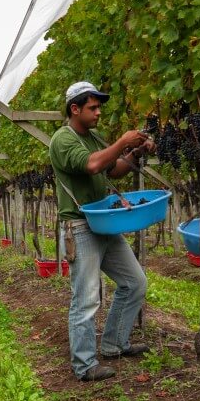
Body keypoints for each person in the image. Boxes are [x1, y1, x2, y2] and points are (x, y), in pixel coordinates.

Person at [49, 81, 155, 381]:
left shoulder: (94, 137)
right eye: (93, 108)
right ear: (75, 109)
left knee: (134, 282)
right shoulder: (62, 140)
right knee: (86, 299)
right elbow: (94, 165)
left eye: (99, 108)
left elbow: (113, 170)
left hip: (105, 222)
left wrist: (134, 153)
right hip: (80, 226)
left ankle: (113, 344)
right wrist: (122, 142)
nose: (98, 113)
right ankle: (84, 365)